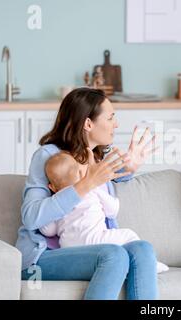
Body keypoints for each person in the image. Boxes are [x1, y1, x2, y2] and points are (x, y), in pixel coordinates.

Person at [15, 87, 160, 300]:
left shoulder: (96, 159)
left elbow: (109, 176)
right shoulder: (48, 156)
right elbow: (31, 217)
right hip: (44, 256)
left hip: (92, 247)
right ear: (88, 124)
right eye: (110, 118)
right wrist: (86, 184)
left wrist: (129, 168)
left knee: (143, 249)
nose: (116, 124)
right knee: (114, 255)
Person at [39, 151, 169, 273]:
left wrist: (45, 203)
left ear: (51, 187)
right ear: (81, 173)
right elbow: (113, 211)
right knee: (129, 235)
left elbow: (48, 231)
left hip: (69, 249)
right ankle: (149, 263)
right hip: (96, 239)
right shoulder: (92, 190)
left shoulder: (56, 203)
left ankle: (129, 264)